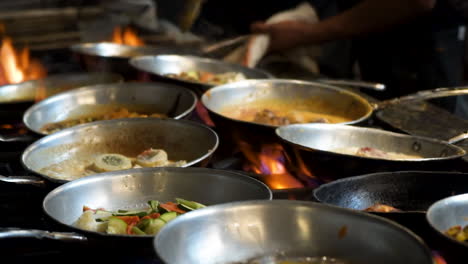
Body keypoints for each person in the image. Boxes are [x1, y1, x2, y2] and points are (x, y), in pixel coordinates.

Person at [251, 0, 466, 116]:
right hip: (372, 39)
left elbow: (418, 1)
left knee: (415, 131)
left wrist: (309, 33)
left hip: (422, 47)